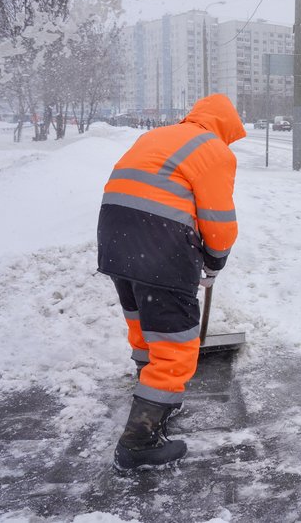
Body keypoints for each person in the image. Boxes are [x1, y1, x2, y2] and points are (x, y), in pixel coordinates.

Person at [97, 93, 245, 471]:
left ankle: (155, 400)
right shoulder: (214, 149)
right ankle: (139, 441)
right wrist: (215, 260)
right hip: (159, 246)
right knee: (176, 343)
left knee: (144, 328)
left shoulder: (159, 136)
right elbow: (218, 219)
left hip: (115, 238)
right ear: (226, 126)